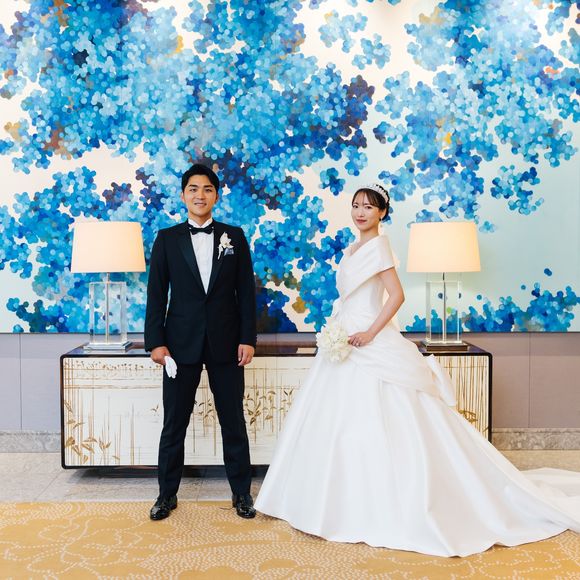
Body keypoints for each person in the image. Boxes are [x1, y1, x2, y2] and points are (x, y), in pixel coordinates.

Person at [255, 183, 580, 557]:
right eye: (356, 205)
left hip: (367, 337)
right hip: (344, 336)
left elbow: (396, 295)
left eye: (369, 207)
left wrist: (370, 332)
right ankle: (334, 501)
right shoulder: (352, 248)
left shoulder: (379, 247)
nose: (360, 212)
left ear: (382, 212)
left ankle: (387, 500)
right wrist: (341, 330)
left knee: (387, 417)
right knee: (339, 422)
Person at [145, 163, 257, 521]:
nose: (200, 195)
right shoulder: (167, 239)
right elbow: (156, 295)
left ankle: (242, 494)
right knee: (174, 423)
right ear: (183, 195)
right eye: (193, 189)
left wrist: (247, 338)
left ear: (216, 196)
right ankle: (166, 495)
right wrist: (156, 343)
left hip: (227, 343)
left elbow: (246, 293)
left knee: (233, 421)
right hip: (179, 345)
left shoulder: (234, 237)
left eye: (207, 189)